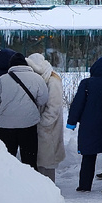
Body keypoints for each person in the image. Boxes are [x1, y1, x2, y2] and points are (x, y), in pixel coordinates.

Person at [67, 56, 102, 192]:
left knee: (88, 156)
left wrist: (71, 122)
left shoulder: (86, 83)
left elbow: (78, 103)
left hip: (89, 125)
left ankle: (84, 185)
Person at [0, 52, 48, 166]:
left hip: (6, 127)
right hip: (29, 125)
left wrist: (2, 114)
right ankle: (30, 182)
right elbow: (43, 100)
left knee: (6, 160)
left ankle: (7, 182)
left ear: (11, 65)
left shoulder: (2, 80)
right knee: (29, 160)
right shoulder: (37, 78)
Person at [26, 53, 65, 182]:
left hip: (49, 129)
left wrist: (42, 123)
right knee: (41, 161)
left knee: (47, 163)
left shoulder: (53, 81)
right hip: (42, 128)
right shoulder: (43, 79)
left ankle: (49, 191)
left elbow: (54, 107)